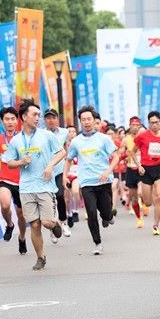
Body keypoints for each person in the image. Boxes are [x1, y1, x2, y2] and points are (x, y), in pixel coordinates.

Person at [2, 101, 66, 270]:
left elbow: (62, 152)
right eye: (34, 115)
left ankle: (55, 224)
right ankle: (40, 257)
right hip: (26, 188)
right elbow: (9, 163)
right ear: (23, 117)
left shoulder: (47, 135)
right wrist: (21, 162)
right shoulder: (15, 141)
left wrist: (50, 165)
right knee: (35, 225)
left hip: (45, 186)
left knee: (45, 223)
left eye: (39, 115)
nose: (38, 118)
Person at [65, 106, 119, 254]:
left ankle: (108, 217)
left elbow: (116, 156)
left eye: (89, 119)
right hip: (87, 182)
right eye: (83, 119)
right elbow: (69, 159)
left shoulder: (104, 139)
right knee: (91, 212)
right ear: (80, 122)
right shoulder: (76, 141)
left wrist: (108, 171)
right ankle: (97, 243)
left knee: (106, 213)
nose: (86, 122)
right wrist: (64, 176)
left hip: (104, 181)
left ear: (95, 121)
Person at [0, 107, 28, 255]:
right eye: (7, 119)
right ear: (2, 121)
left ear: (17, 120)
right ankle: (10, 225)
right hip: (5, 179)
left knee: (22, 214)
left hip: (23, 181)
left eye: (13, 119)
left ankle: (22, 238)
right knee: (5, 205)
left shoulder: (24, 137)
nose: (10, 122)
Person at [129, 111, 160, 236]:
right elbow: (132, 152)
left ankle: (156, 225)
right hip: (146, 170)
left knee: (159, 196)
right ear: (148, 123)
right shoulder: (142, 136)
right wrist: (139, 166)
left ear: (159, 122)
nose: (154, 125)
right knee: (148, 202)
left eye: (156, 122)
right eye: (152, 123)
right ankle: (146, 204)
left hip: (159, 168)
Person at [44, 108, 71, 239]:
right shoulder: (41, 134)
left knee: (60, 196)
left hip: (59, 170)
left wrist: (67, 170)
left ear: (57, 119)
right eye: (48, 118)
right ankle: (52, 227)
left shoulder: (64, 132)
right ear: (45, 120)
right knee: (49, 199)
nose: (51, 120)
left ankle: (63, 222)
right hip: (46, 172)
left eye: (53, 117)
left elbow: (67, 150)